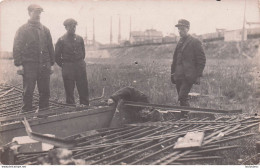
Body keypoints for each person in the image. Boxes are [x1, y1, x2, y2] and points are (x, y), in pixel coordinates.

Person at [13, 4, 55, 112]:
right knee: (28, 91)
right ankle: (27, 114)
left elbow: (50, 47)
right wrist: (19, 64)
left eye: (40, 12)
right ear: (29, 13)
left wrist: (51, 64)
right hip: (29, 65)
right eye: (36, 12)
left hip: (44, 65)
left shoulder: (45, 30)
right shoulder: (22, 30)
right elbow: (17, 47)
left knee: (45, 91)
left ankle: (44, 115)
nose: (38, 15)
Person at [171, 19, 206, 107]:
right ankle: (184, 116)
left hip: (188, 76)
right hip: (178, 75)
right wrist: (172, 74)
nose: (180, 31)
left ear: (188, 29)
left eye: (182, 29)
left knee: (182, 97)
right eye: (179, 29)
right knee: (181, 98)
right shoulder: (179, 42)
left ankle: (185, 116)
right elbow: (175, 59)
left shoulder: (195, 41)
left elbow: (201, 59)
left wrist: (198, 76)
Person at [55, 19, 89, 106]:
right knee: (69, 89)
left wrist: (79, 62)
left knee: (83, 86)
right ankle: (70, 107)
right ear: (66, 27)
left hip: (80, 65)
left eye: (74, 26)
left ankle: (85, 104)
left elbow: (83, 53)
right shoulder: (61, 40)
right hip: (68, 67)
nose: (73, 28)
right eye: (70, 26)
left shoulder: (80, 39)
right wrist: (65, 65)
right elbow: (57, 57)